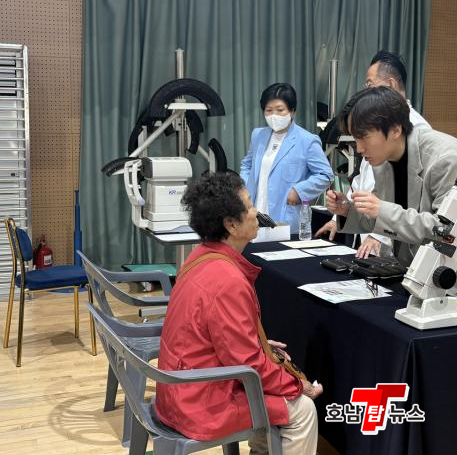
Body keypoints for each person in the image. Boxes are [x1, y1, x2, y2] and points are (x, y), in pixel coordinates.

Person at [155, 172, 322, 454]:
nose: (256, 211)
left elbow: (223, 340)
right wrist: (298, 385)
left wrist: (259, 346)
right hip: (200, 402)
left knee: (273, 386)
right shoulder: (227, 280)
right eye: (250, 205)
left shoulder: (200, 256)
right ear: (231, 224)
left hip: (180, 389)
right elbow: (248, 365)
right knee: (302, 410)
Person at [325, 87, 457, 284]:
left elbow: (446, 230)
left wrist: (382, 210)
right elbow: (382, 220)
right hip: (442, 272)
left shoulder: (446, 158)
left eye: (364, 137)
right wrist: (348, 210)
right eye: (355, 139)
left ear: (395, 130)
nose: (359, 148)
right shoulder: (383, 162)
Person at [315, 51, 431, 257]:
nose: (365, 93)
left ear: (391, 85)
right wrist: (341, 213)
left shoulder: (416, 128)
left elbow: (409, 201)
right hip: (369, 224)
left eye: (369, 85)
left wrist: (379, 235)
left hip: (394, 239)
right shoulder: (375, 124)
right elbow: (362, 180)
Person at [240, 83, 333, 231]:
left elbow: (326, 175)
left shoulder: (307, 140)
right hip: (254, 214)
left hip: (285, 217)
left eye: (280, 110)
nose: (274, 115)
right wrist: (246, 188)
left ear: (292, 111)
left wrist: (299, 191)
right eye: (269, 110)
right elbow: (247, 164)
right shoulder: (258, 135)